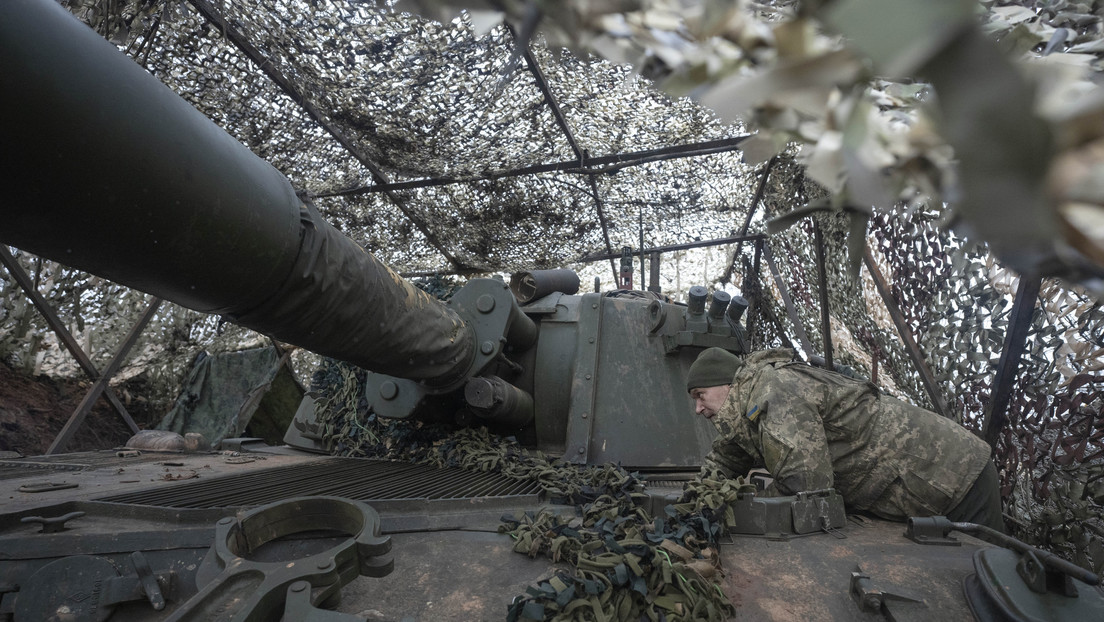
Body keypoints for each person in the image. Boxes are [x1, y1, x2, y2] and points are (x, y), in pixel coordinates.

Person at [687, 347, 1004, 531]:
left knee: (988, 587)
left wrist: (741, 511)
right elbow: (728, 455)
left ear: (728, 385)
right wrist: (694, 502)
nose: (698, 408)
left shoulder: (777, 390)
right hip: (922, 487)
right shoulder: (751, 404)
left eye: (700, 396)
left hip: (954, 477)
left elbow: (806, 485)